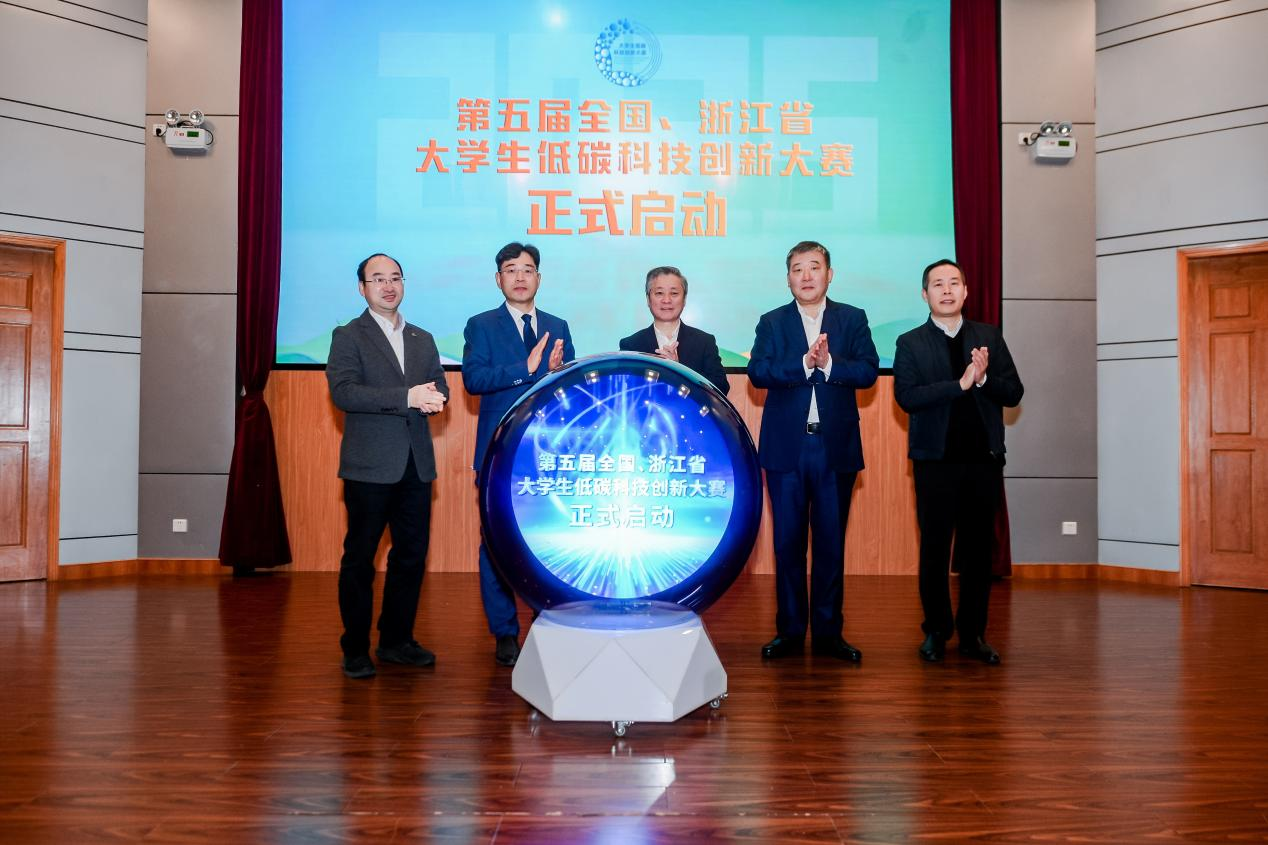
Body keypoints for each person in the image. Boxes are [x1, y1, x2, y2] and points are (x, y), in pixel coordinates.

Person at [748, 241, 878, 661]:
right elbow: (758, 371)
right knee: (787, 545)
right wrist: (805, 364)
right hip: (787, 449)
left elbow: (868, 370)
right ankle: (789, 631)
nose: (806, 276)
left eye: (814, 267)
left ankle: (828, 633)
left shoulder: (852, 318)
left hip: (834, 448)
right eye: (798, 269)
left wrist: (829, 365)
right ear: (788, 278)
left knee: (830, 545)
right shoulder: (772, 321)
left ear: (829, 274)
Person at [893, 259, 1024, 664]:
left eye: (954, 283)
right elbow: (908, 397)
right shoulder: (910, 342)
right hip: (935, 462)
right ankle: (936, 631)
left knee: (978, 553)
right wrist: (960, 385)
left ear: (966, 291)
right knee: (934, 549)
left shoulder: (988, 337)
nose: (946, 290)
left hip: (983, 461)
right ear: (925, 295)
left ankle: (973, 635)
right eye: (938, 284)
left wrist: (982, 379)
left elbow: (1014, 392)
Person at [326, 253, 449, 679]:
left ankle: (396, 641)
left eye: (395, 278)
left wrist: (435, 398)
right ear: (362, 288)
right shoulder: (349, 336)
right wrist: (407, 397)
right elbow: (344, 393)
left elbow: (440, 384)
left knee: (410, 557)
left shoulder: (422, 337)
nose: (389, 286)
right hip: (369, 468)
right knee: (360, 560)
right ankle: (355, 648)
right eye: (378, 279)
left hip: (416, 465)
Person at [462, 242, 575, 666]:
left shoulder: (558, 325)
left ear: (539, 278)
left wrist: (558, 373)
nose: (520, 277)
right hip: (498, 453)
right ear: (499, 279)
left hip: (546, 454)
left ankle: (546, 621)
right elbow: (474, 379)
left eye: (528, 269)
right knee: (495, 543)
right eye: (511, 270)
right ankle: (505, 632)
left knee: (547, 540)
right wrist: (526, 369)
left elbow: (569, 391)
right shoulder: (481, 325)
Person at [618, 266, 730, 395]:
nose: (667, 300)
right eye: (659, 293)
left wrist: (680, 369)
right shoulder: (631, 345)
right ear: (648, 299)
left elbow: (721, 388)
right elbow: (625, 391)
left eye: (674, 293)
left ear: (684, 299)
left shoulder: (704, 342)